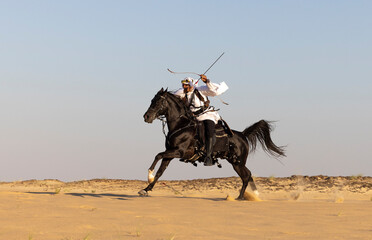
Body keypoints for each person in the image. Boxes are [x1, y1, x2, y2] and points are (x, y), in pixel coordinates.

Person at [174, 74, 228, 166]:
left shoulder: (200, 90)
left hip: (206, 115)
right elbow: (172, 97)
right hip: (192, 118)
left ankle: (209, 156)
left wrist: (207, 82)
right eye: (183, 85)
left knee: (209, 132)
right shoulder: (181, 92)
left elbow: (214, 91)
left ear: (191, 85)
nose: (184, 87)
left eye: (187, 85)